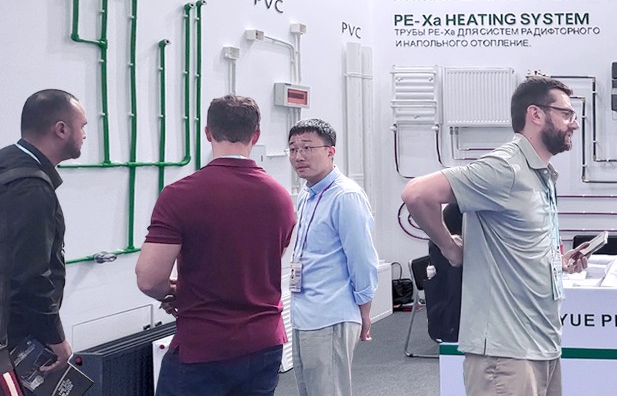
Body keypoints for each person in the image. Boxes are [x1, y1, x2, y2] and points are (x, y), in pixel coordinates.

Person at [401, 75, 588, 396]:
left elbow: (516, 244)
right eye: (566, 113)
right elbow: (417, 193)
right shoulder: (505, 168)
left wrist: (559, 263)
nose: (575, 123)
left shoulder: (540, 174)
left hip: (541, 344)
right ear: (536, 114)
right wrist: (449, 247)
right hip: (506, 354)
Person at [136, 95, 295, 396]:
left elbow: (148, 279)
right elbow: (261, 264)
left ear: (208, 133)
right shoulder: (281, 198)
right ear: (256, 135)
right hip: (264, 342)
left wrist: (173, 292)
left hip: (204, 346)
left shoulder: (180, 195)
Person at [286, 118, 379, 396]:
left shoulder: (345, 196)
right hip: (304, 313)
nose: (298, 156)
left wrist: (364, 310)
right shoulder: (307, 194)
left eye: (307, 147)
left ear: (330, 151)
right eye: (293, 149)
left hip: (330, 314)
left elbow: (362, 259)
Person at [0, 90, 87, 383]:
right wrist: (54, 337)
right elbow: (30, 275)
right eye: (82, 126)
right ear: (61, 129)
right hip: (12, 338)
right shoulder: (31, 187)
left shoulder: (6, 163)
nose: (84, 135)